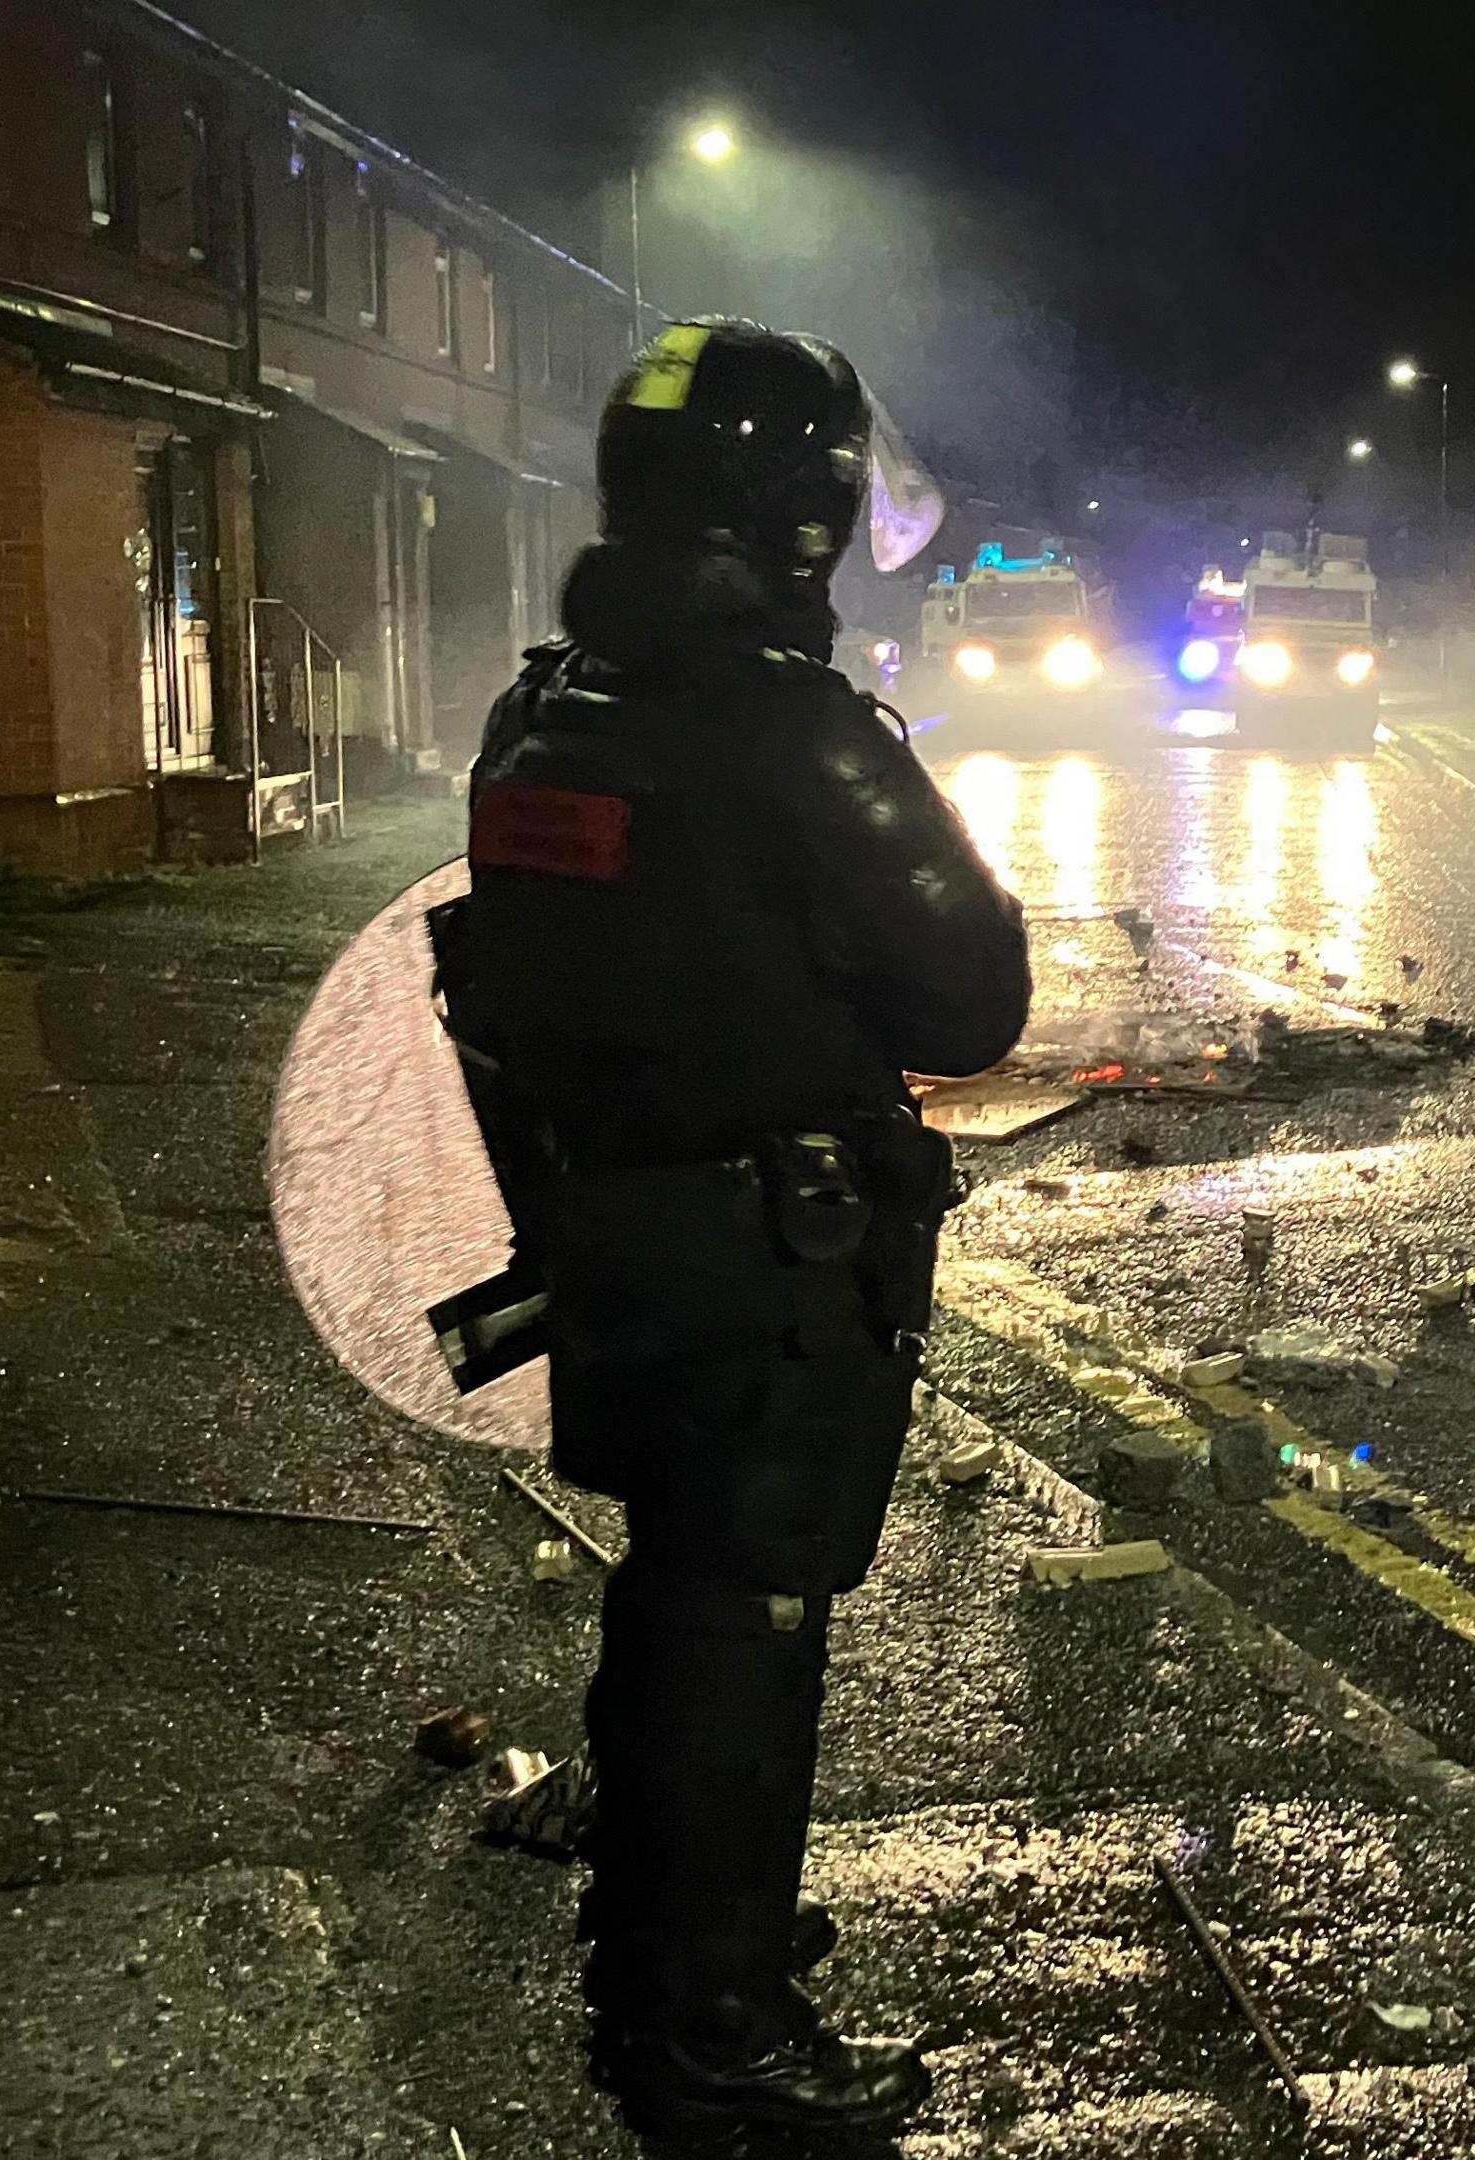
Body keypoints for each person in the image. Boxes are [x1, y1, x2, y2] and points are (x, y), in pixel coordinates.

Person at [444, 320, 1026, 2136]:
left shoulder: (547, 705)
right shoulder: (793, 732)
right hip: (773, 1254)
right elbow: (969, 1001)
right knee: (749, 1615)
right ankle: (720, 2037)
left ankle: (673, 1946)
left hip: (613, 1225)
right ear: (805, 514)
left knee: (677, 1587)